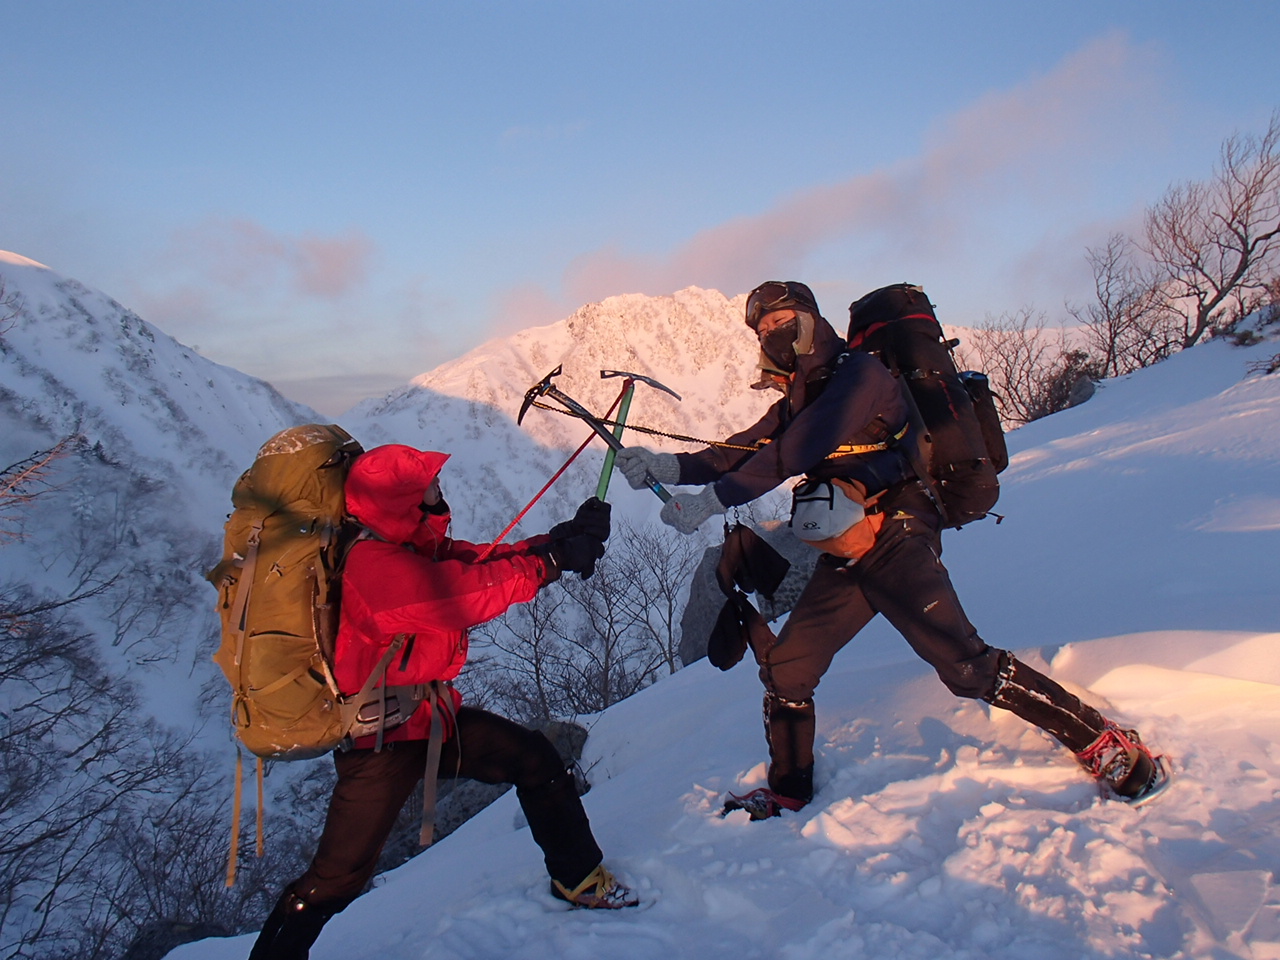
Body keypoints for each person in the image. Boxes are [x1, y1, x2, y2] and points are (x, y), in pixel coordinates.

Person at [616, 280, 1165, 819]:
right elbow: (746, 448)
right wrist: (670, 467)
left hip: (898, 531)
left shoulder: (861, 376)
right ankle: (788, 792)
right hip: (848, 541)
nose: (774, 334)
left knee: (965, 666)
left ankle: (1102, 740)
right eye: (765, 330)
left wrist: (713, 500)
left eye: (783, 322)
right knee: (787, 669)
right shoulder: (805, 392)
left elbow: (794, 451)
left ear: (811, 318)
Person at [249, 444, 636, 960]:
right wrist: (552, 563)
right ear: (402, 501)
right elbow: (462, 594)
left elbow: (480, 559)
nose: (438, 490)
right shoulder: (374, 566)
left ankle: (579, 879)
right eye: (428, 485)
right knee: (335, 879)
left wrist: (557, 542)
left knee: (535, 760)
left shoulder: (405, 546)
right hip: (380, 744)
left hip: (428, 718)